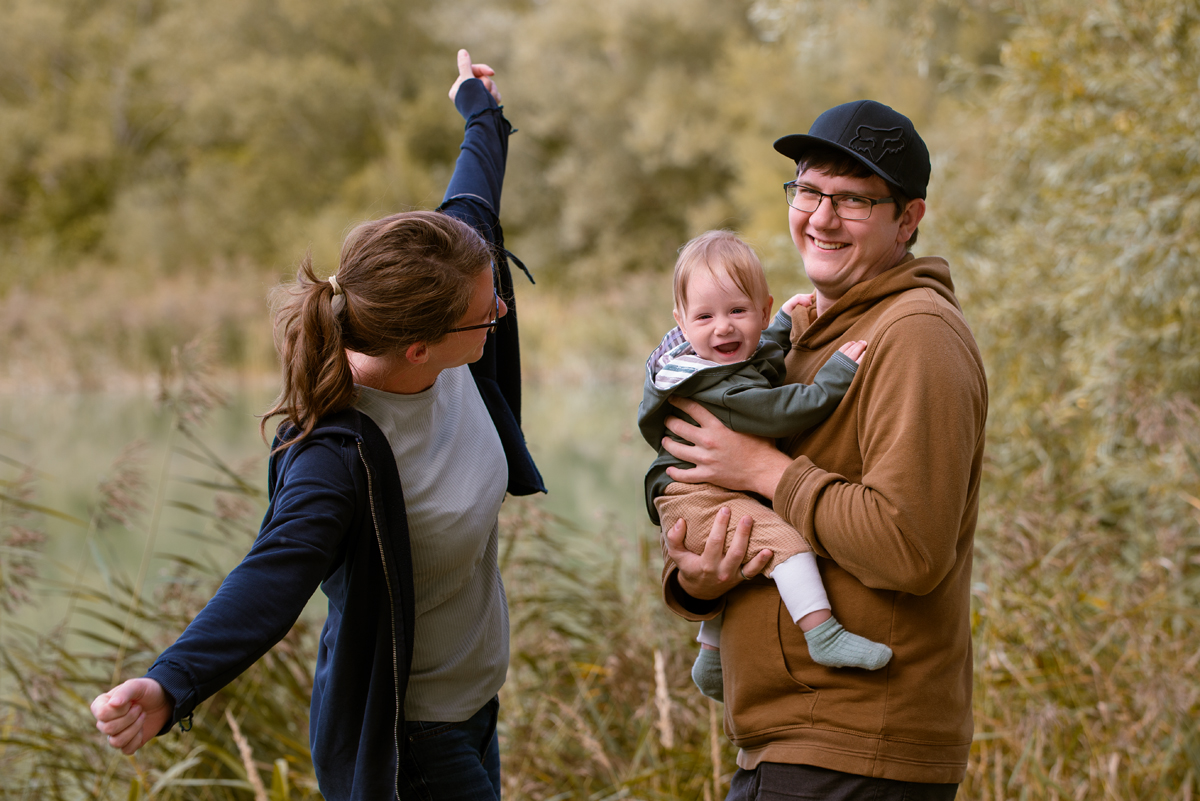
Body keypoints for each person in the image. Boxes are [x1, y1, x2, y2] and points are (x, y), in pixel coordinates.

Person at [89, 50, 544, 801]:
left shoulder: (448, 299)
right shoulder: (337, 455)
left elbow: (475, 196)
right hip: (412, 744)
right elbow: (272, 573)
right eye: (486, 308)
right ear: (419, 346)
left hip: (474, 710)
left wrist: (478, 106)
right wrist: (170, 682)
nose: (501, 310)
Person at [659, 100, 987, 799]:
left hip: (856, 745)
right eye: (808, 189)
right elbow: (749, 510)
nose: (821, 216)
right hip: (795, 742)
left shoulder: (914, 334)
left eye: (854, 199)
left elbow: (909, 547)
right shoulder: (803, 333)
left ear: (909, 218)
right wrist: (700, 577)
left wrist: (764, 469)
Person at [638, 230, 891, 702]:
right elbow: (779, 408)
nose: (723, 329)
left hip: (701, 495)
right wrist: (834, 377)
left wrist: (780, 324)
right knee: (787, 544)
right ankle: (823, 635)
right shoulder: (713, 387)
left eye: (739, 311)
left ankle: (711, 659)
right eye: (705, 317)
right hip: (695, 497)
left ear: (761, 306)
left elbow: (753, 355)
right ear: (680, 321)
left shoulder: (717, 359)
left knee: (742, 552)